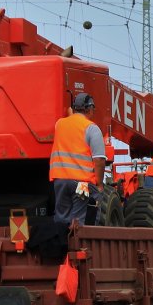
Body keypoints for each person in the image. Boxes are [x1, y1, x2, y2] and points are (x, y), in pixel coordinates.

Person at [49, 93, 107, 225]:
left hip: (60, 182)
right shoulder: (91, 128)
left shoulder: (59, 124)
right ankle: (81, 245)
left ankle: (61, 243)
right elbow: (99, 160)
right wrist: (99, 184)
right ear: (89, 109)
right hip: (81, 184)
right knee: (81, 222)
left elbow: (72, 121)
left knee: (62, 221)